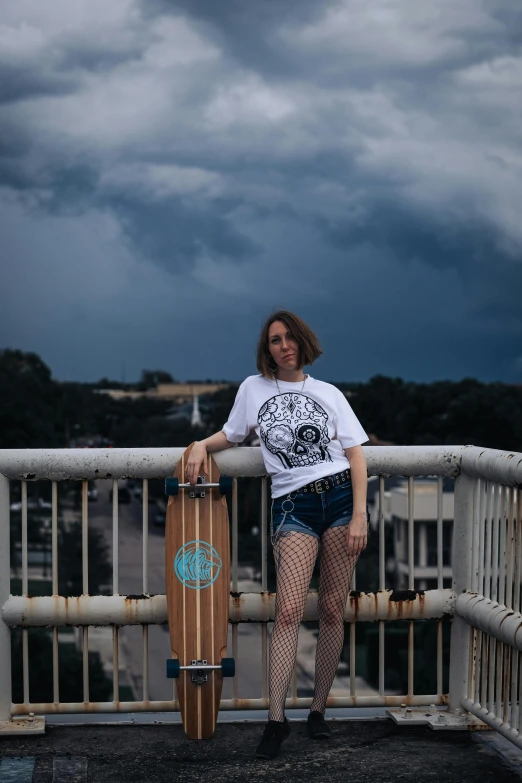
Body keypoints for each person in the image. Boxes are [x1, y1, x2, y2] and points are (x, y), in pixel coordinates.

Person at [186, 310, 368, 759]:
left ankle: (319, 711)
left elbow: (355, 455)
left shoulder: (329, 394)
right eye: (274, 340)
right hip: (293, 507)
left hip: (342, 501)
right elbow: (232, 435)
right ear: (266, 349)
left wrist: (361, 513)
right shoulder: (253, 389)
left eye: (288, 338)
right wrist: (197, 446)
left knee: (330, 609)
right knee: (287, 610)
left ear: (302, 343)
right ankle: (275, 720)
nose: (282, 346)